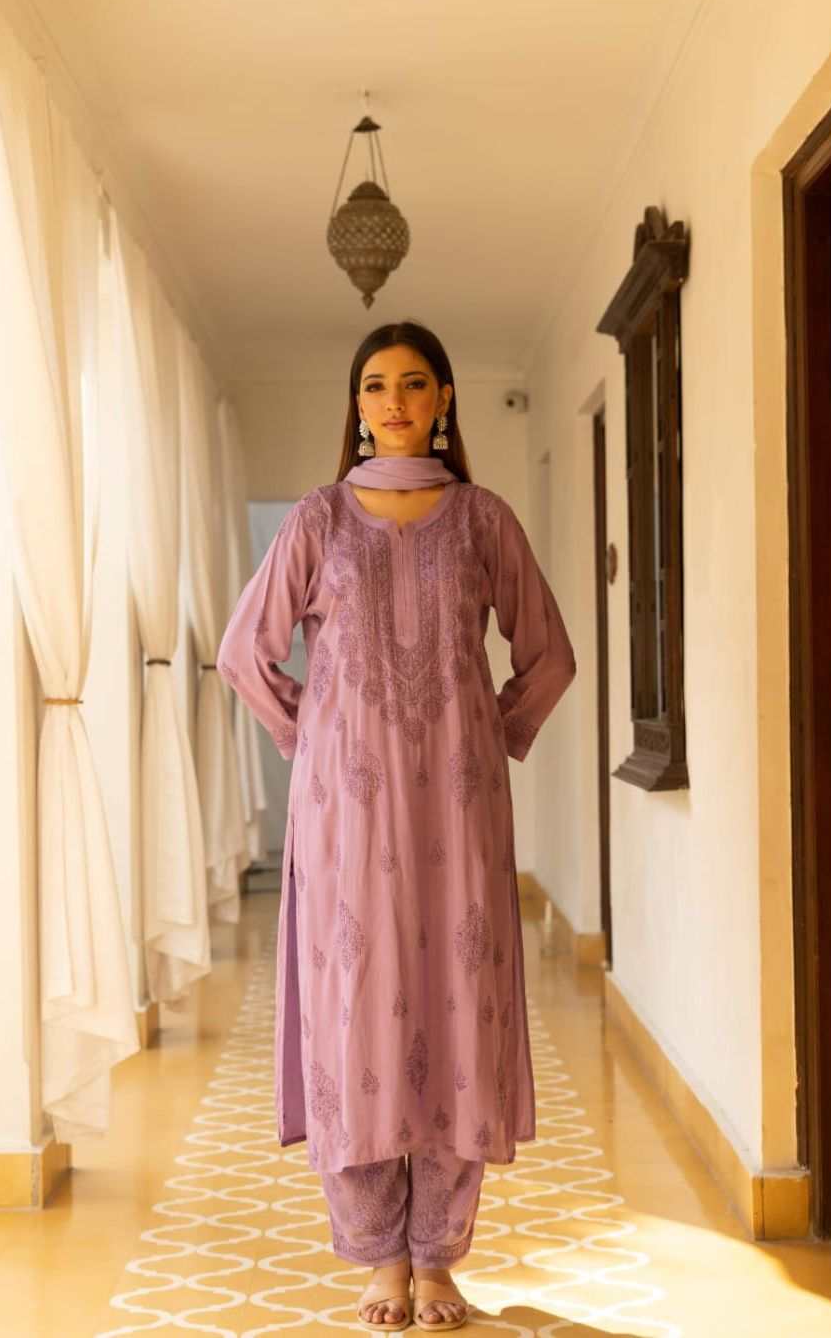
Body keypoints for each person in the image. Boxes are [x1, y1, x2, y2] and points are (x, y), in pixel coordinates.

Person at [216, 320, 576, 1332]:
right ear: (356, 407)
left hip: (460, 819)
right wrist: (316, 741)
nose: (394, 400)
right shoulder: (319, 521)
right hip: (346, 824)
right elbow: (247, 654)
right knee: (357, 1013)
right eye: (375, 385)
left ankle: (440, 1258)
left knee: (460, 1008)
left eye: (414, 383)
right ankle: (379, 1259)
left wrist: (489, 738)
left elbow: (548, 655)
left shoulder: (484, 520)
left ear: (445, 399)